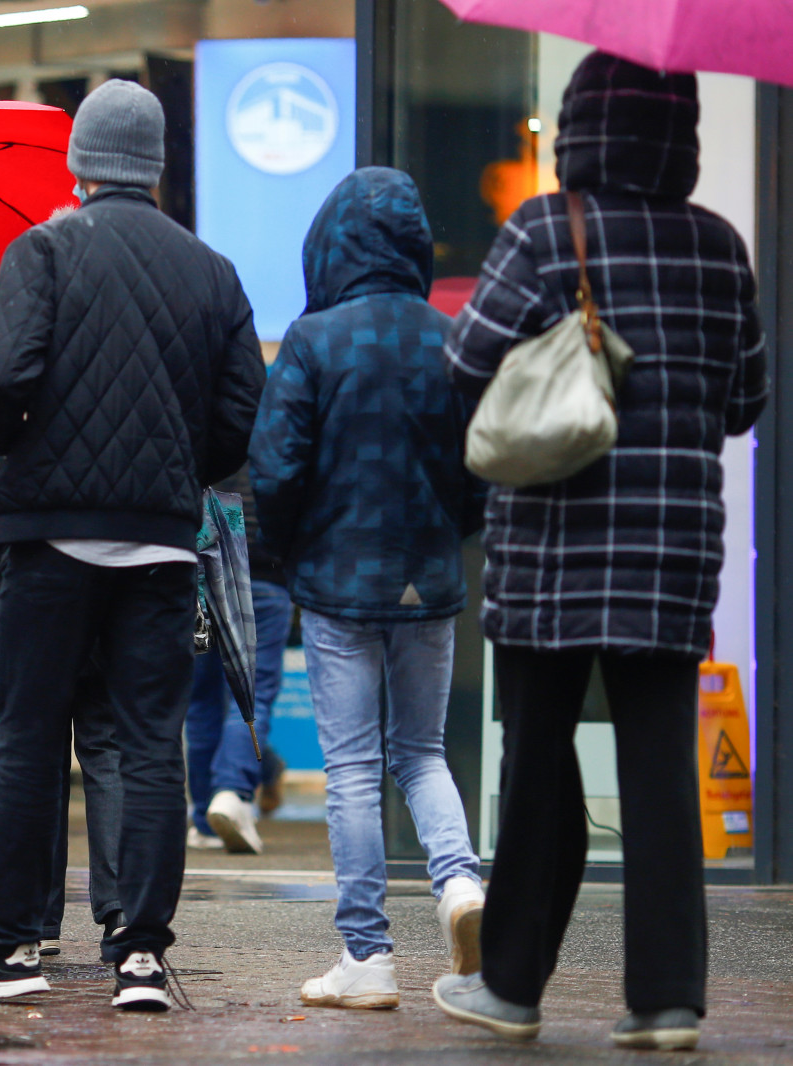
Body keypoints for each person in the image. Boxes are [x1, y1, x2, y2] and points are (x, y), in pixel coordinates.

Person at [433, 54, 767, 1052]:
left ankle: (513, 984)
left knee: (537, 764)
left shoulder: (545, 229)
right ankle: (667, 998)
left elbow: (466, 361)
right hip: (672, 554)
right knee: (661, 772)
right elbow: (746, 399)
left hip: (554, 551)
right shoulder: (720, 244)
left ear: (579, 129)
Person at [0, 78, 264, 1010]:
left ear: (79, 161)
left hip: (48, 539)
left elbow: (4, 377)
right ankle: (143, 960)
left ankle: (9, 952)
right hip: (159, 545)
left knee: (29, 741)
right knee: (153, 745)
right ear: (155, 165)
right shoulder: (212, 270)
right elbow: (241, 417)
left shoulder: (43, 251)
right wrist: (168, 470)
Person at [251, 167, 486, 1011]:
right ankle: (461, 886)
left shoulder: (314, 339)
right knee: (421, 752)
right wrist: (443, 542)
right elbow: (478, 468)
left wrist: (284, 557)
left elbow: (274, 472)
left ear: (332, 242)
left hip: (338, 582)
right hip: (429, 577)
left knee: (351, 766)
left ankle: (368, 957)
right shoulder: (448, 336)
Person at [0, 400, 125, 963]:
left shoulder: (20, 359)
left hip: (35, 576)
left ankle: (36, 919)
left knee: (36, 755)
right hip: (114, 571)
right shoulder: (124, 352)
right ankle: (122, 913)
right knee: (106, 747)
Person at [185, 464, 292, 856]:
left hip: (199, 573)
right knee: (252, 693)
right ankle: (231, 792)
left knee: (202, 702)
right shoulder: (273, 419)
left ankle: (203, 822)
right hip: (261, 576)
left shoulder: (200, 415)